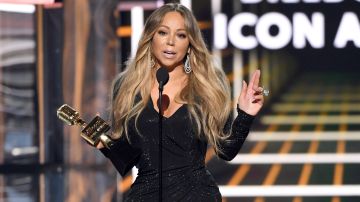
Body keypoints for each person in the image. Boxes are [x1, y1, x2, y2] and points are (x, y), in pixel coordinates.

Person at [97, 3, 265, 201]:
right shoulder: (126, 87)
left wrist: (245, 115)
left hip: (197, 195)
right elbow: (130, 157)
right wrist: (105, 143)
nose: (170, 42)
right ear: (150, 37)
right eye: (163, 32)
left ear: (190, 43)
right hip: (146, 195)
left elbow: (226, 150)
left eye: (181, 35)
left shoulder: (207, 85)